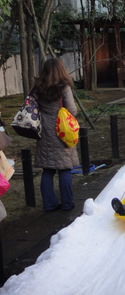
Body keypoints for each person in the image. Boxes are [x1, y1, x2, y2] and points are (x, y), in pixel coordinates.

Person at [34, 58, 79, 211]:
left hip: (44, 133)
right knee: (65, 169)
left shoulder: (38, 88)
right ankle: (67, 204)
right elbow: (72, 111)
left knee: (47, 171)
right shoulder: (64, 88)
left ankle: (49, 205)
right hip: (61, 132)